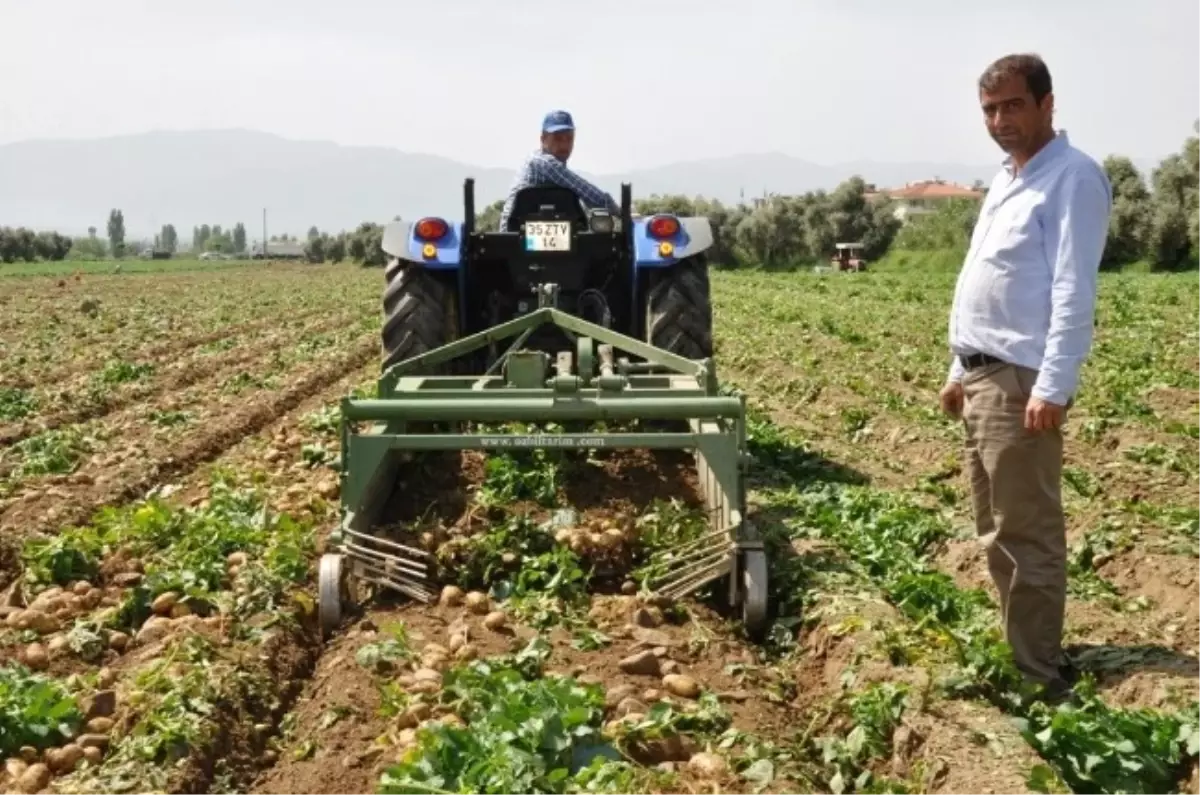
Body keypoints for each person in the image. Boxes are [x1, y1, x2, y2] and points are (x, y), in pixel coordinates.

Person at [939, 53, 1112, 702]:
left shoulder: (1072, 178)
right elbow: (989, 281)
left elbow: (1073, 289)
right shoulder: (1007, 179)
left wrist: (1052, 386)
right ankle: (1023, 653)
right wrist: (959, 368)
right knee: (995, 529)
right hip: (984, 377)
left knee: (1028, 531)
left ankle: (1039, 678)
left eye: (1013, 105)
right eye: (989, 109)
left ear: (1046, 104)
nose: (1000, 119)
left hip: (1021, 383)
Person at [498, 109, 620, 230]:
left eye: (569, 138)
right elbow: (584, 190)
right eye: (558, 138)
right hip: (514, 232)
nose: (564, 145)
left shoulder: (552, 165)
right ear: (543, 139)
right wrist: (619, 211)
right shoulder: (542, 162)